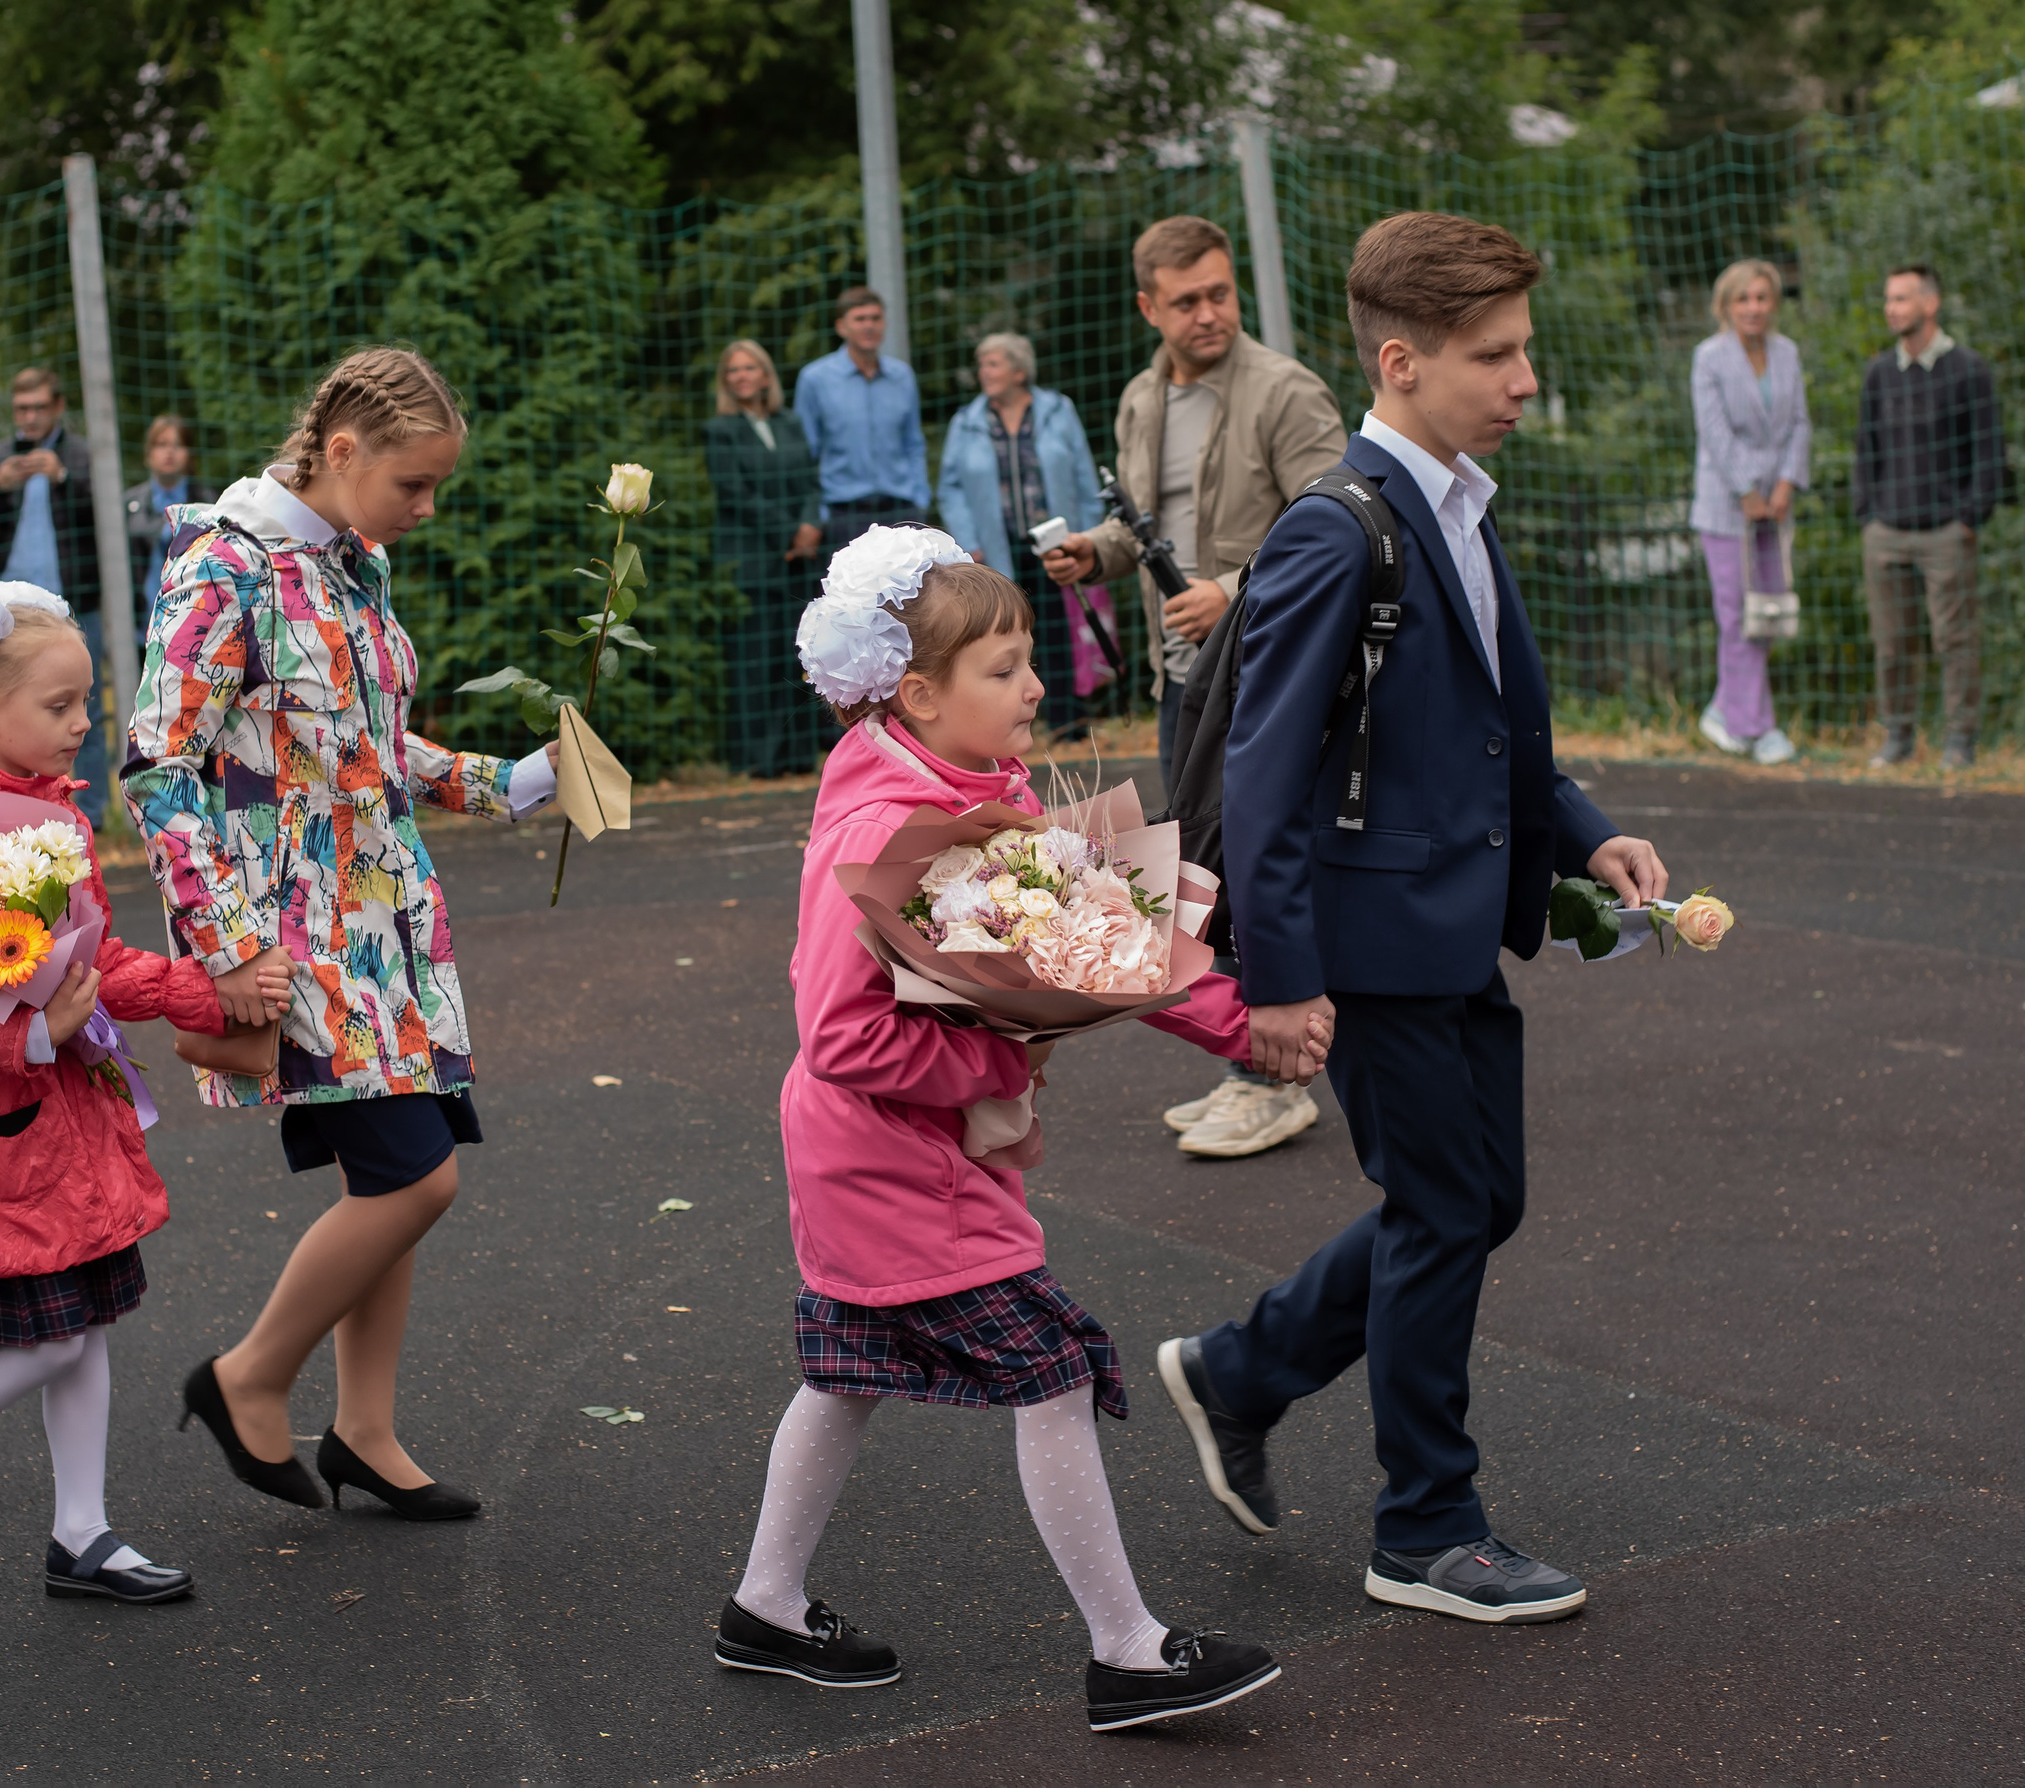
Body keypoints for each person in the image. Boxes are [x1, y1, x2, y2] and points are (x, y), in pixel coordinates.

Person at [1152, 213, 1671, 1627]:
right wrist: (1275, 978)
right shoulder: (1342, 530)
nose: (1524, 379)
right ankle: (1426, 1524)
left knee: (1478, 1199)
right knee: (1446, 1207)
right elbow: (1261, 769)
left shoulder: (1461, 507)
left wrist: (1589, 832)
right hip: (1371, 940)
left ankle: (1244, 1368)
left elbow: (1495, 731)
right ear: (1401, 361)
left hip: (1448, 925)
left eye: (1522, 349)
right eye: (1494, 355)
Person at [715, 524, 1281, 1733]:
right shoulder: (888, 827)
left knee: (844, 1373)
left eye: (1030, 659)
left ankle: (764, 1604)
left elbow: (1102, 946)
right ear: (918, 693)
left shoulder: (969, 790)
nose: (1035, 685)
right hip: (886, 1155)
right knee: (1054, 1371)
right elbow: (842, 1039)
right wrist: (1000, 1050)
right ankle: (1127, 1653)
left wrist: (1246, 1027)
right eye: (1003, 668)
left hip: (893, 1147)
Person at [123, 347, 559, 1521]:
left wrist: (510, 782)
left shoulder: (347, 559)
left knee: (391, 1174)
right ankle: (247, 1378)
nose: (426, 510)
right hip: (296, 938)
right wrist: (223, 948)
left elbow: (359, 747)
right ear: (343, 451)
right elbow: (157, 768)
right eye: (413, 485)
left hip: (385, 922)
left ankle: (364, 1430)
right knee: (416, 1179)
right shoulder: (227, 567)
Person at [0, 581, 282, 1605]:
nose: (83, 726)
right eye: (60, 706)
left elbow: (91, 958)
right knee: (53, 1331)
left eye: (84, 703)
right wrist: (36, 1033)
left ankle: (83, 1533)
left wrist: (211, 991)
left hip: (60, 1112)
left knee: (85, 1322)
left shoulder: (37, 807)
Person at [1041, 215, 1346, 1162]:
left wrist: (1236, 590)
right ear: (1149, 307)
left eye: (1220, 292)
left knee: (1250, 876)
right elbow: (1151, 524)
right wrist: (1098, 552)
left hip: (1276, 680)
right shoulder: (1143, 400)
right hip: (1190, 684)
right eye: (1186, 300)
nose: (1209, 313)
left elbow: (1348, 528)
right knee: (1203, 880)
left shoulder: (1287, 394)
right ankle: (1257, 1063)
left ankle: (1271, 1079)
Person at [1853, 263, 2007, 770]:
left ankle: (1960, 741)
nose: (1891, 308)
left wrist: (1970, 517)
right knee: (1892, 644)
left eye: (1901, 298)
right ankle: (1898, 737)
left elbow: (1990, 451)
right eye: (1888, 299)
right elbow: (1865, 449)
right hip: (1887, 531)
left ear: (1930, 303)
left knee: (1955, 641)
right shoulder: (1879, 373)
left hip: (1946, 531)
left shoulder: (1968, 369)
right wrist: (1867, 516)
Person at [0, 369, 115, 824]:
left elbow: (108, 517)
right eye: (21, 409)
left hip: (75, 601)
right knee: (7, 707)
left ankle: (89, 810)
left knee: (82, 704)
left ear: (57, 407)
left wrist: (65, 478)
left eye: (38, 408)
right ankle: (11, 804)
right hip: (6, 614)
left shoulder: (84, 454)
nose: (29, 417)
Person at [936, 332, 1107, 738]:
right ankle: (1013, 723)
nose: (984, 372)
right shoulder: (967, 421)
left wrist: (1086, 532)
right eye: (982, 364)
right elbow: (951, 486)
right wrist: (966, 540)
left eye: (993, 364)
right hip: (996, 547)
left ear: (1018, 370)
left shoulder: (1057, 411)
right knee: (1007, 634)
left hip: (1053, 540)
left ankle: (1069, 720)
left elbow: (1084, 472)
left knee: (1059, 627)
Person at [1690, 259, 1809, 768]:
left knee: (1766, 613)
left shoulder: (1787, 353)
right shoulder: (1709, 358)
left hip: (1775, 505)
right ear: (1727, 306)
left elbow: (1800, 422)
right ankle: (1756, 727)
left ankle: (1724, 708)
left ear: (1773, 304)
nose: (1754, 307)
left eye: (1761, 297)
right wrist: (1746, 489)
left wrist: (1785, 482)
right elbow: (1714, 432)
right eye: (1744, 299)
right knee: (1737, 615)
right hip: (1725, 506)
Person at [705, 340, 827, 777]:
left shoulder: (790, 423)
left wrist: (811, 525)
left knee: (796, 658)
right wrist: (790, 531)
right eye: (733, 370)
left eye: (750, 367)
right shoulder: (720, 430)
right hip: (752, 561)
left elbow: (813, 481)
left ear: (765, 374)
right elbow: (734, 493)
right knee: (753, 659)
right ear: (726, 380)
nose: (742, 376)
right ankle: (757, 760)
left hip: (800, 559)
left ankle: (797, 756)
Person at [793, 287, 930, 553]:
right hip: (843, 513)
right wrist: (817, 515)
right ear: (841, 327)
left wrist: (920, 500)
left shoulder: (902, 376)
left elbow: (913, 443)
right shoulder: (815, 379)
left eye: (875, 318)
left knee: (911, 594)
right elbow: (806, 453)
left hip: (901, 511)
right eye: (860, 319)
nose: (869, 326)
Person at [125, 415, 218, 635]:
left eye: (178, 445)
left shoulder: (210, 503)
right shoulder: (128, 504)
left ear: (189, 454)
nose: (169, 452)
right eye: (162, 444)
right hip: (139, 621)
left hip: (194, 618)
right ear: (148, 453)